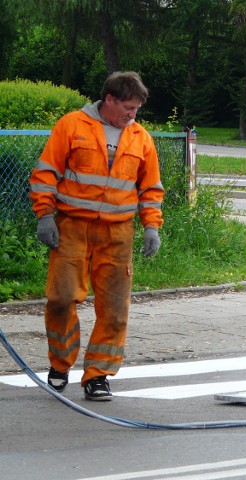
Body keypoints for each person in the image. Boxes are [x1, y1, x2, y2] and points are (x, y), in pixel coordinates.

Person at [29, 71, 164, 401]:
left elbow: (150, 188)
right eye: (128, 108)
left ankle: (98, 374)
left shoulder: (141, 138)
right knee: (61, 298)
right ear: (110, 100)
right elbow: (46, 174)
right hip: (72, 228)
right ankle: (60, 364)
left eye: (136, 110)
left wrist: (151, 226)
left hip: (118, 233)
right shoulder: (72, 126)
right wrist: (45, 216)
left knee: (115, 309)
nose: (132, 115)